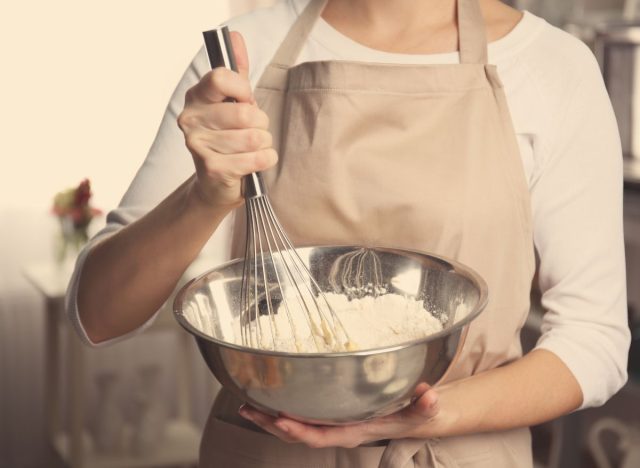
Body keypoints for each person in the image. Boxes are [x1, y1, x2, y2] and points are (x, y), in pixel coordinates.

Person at [67, 0, 630, 466]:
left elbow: (594, 342)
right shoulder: (244, 54)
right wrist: (203, 196)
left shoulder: (551, 67)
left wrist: (434, 411)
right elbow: (97, 316)